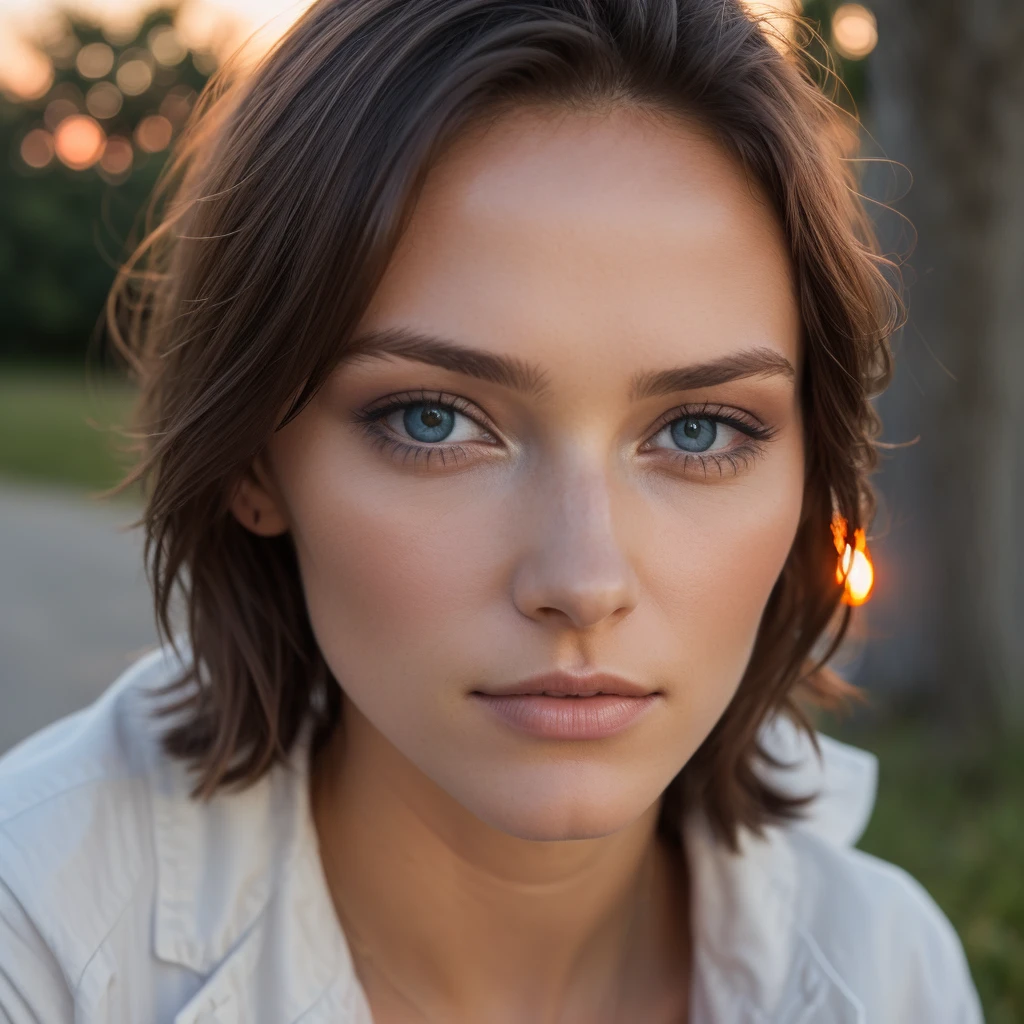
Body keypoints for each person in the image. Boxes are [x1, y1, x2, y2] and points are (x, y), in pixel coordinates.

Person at [0, 1, 984, 1021]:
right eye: (434, 420)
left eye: (698, 429)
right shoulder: (38, 949)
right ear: (255, 457)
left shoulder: (886, 973)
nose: (582, 580)